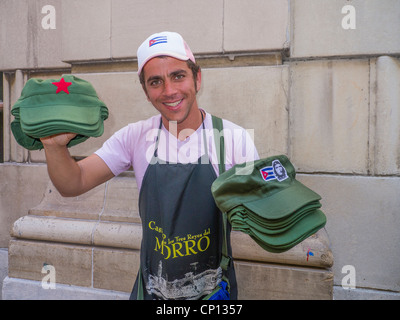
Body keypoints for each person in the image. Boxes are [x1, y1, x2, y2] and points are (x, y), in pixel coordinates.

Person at [40, 31, 259, 300]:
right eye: (156, 82)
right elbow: (73, 183)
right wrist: (54, 146)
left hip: (214, 293)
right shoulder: (134, 138)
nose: (169, 91)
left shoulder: (234, 140)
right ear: (145, 91)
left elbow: (261, 214)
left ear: (197, 78)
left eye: (178, 75)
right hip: (152, 292)